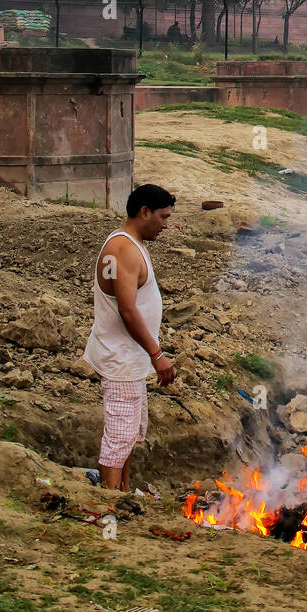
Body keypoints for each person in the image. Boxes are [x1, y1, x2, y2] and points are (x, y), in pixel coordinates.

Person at [83, 184, 177, 491]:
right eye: (163, 217)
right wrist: (157, 353)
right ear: (144, 211)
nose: (166, 225)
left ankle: (123, 492)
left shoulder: (130, 244)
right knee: (120, 436)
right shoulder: (122, 249)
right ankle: (109, 502)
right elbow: (127, 310)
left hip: (129, 358)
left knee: (132, 431)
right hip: (121, 357)